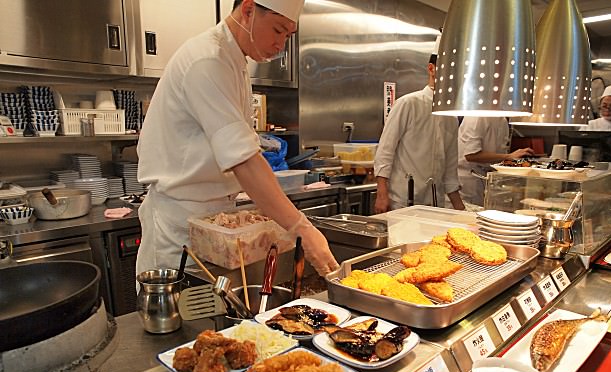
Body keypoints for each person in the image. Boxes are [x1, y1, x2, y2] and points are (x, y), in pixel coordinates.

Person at [136, 0, 339, 277]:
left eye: (288, 36)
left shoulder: (235, 59)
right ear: (248, 10)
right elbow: (243, 160)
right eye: (278, 30)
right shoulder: (207, 60)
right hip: (180, 226)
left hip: (214, 221)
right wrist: (301, 228)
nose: (281, 45)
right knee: (187, 313)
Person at [374, 53, 465, 213]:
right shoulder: (408, 103)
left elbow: (450, 170)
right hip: (403, 202)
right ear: (431, 69)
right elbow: (385, 151)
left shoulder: (451, 116)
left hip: (435, 205)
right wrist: (382, 195)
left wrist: (461, 210)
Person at [457, 117, 534, 207]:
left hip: (488, 178)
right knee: (468, 215)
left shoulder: (503, 120)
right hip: (469, 179)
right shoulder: (476, 117)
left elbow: (499, 152)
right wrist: (509, 156)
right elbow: (471, 155)